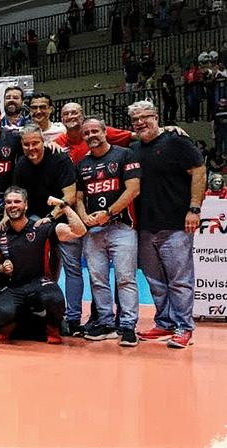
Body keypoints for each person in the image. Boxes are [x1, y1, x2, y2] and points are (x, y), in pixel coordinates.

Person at [129, 101, 206, 349]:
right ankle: (164, 322)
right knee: (154, 279)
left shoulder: (176, 141)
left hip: (176, 225)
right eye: (135, 119)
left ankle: (184, 327)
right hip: (145, 226)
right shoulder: (134, 149)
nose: (141, 122)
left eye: (145, 117)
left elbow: (199, 170)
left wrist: (194, 208)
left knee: (179, 279)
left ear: (157, 116)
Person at [75, 118, 142, 346]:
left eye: (95, 131)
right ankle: (105, 321)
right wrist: (83, 216)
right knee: (98, 279)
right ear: (83, 137)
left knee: (125, 278)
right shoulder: (82, 164)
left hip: (121, 227)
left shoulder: (124, 155)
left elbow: (133, 189)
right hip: (93, 230)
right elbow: (80, 197)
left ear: (105, 132)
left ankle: (128, 325)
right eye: (87, 133)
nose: (92, 135)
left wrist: (109, 213)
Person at [0, 187, 87, 343]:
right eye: (8, 202)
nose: (12, 205)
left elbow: (80, 231)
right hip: (15, 286)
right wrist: (1, 266)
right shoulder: (1, 232)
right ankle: (14, 323)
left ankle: (52, 328)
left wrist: (64, 206)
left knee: (55, 300)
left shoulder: (40, 226)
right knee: (1, 313)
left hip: (40, 282)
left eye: (17, 201)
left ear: (26, 205)